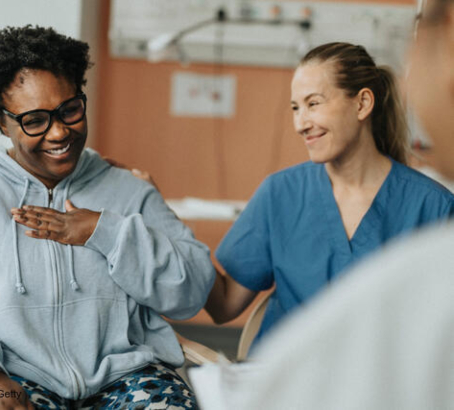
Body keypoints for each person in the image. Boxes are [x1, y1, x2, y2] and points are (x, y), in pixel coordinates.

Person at [189, 0, 454, 408]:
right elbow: (224, 306)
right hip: (283, 391)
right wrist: (166, 232)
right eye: (296, 108)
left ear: (362, 104)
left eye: (314, 103)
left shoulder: (433, 207)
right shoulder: (281, 193)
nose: (300, 123)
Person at [0, 26, 215, 409]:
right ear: (2, 123)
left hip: (129, 377)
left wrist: (105, 232)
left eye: (69, 110)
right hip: (12, 375)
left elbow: (192, 290)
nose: (59, 132)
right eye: (35, 120)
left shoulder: (127, 189)